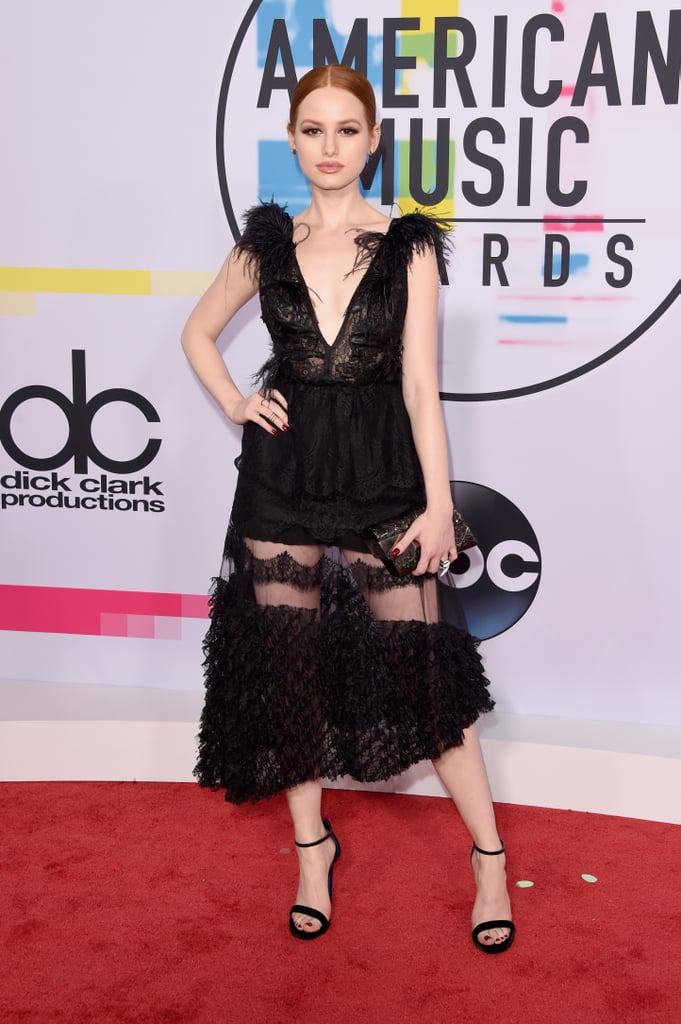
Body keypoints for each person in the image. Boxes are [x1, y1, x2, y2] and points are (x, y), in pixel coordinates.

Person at [181, 64, 514, 952]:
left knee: (426, 681)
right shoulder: (264, 244)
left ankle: (488, 860)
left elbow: (418, 387)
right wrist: (235, 402)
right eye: (313, 130)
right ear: (292, 141)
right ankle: (310, 850)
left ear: (373, 142)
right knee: (288, 675)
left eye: (346, 131)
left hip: (381, 477)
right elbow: (196, 332)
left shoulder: (406, 245)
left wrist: (438, 506)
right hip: (281, 479)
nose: (329, 147)